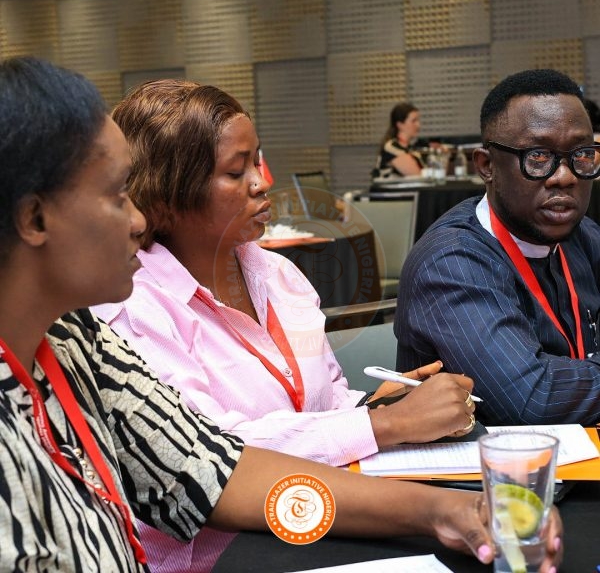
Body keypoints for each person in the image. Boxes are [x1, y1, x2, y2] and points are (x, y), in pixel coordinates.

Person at [0, 55, 539, 573]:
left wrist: (442, 508)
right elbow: (226, 458)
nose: (137, 219)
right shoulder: (121, 314)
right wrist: (383, 425)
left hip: (295, 526)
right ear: (35, 219)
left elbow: (214, 469)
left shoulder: (77, 339)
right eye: (118, 194)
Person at [91, 79, 480, 570]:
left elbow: (328, 397)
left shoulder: (278, 273)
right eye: (237, 171)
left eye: (258, 161)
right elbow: (212, 455)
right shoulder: (133, 306)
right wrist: (386, 424)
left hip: (319, 518)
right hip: (217, 556)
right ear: (169, 195)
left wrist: (379, 404)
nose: (262, 182)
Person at [395, 68, 600, 426]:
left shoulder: (584, 235)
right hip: (488, 459)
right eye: (538, 156)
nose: (565, 176)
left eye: (581, 154)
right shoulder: (451, 262)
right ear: (487, 166)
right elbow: (534, 398)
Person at [373, 102, 425, 178]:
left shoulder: (411, 149)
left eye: (418, 120)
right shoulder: (392, 147)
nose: (418, 125)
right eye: (413, 121)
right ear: (400, 125)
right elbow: (417, 176)